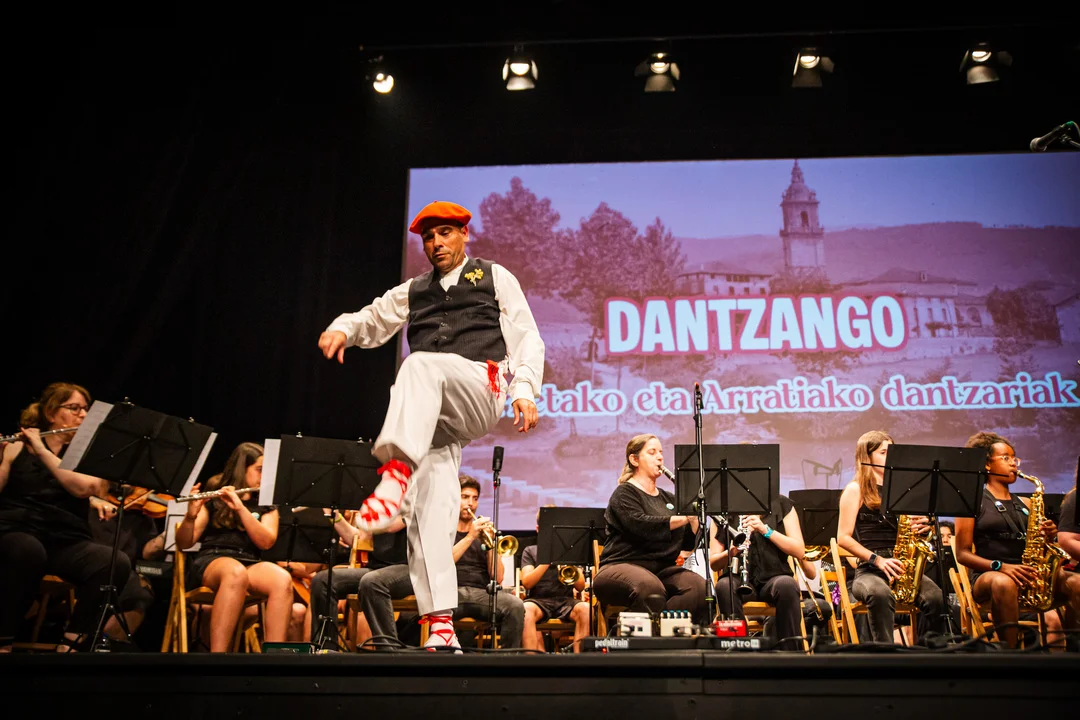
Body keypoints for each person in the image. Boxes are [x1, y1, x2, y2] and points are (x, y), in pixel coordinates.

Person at [317, 200, 544, 649]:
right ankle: (441, 626)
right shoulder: (415, 289)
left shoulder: (493, 276)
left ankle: (394, 475)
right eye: (428, 237)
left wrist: (524, 389)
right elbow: (374, 316)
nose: (436, 243)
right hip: (436, 414)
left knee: (419, 364)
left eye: (444, 233)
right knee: (429, 514)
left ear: (464, 234)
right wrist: (344, 328)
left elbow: (525, 334)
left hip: (479, 386)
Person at [0, 382, 132, 653]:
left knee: (113, 562)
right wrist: (3, 460)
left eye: (86, 409)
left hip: (65, 540)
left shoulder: (87, 456)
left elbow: (84, 488)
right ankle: (4, 640)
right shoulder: (16, 448)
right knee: (27, 550)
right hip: (18, 531)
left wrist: (41, 449)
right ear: (50, 413)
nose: (82, 415)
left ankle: (71, 645)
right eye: (74, 408)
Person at [953, 431, 1080, 649]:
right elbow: (962, 554)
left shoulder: (1027, 503)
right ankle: (1009, 655)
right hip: (989, 573)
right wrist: (1001, 567)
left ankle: (1073, 651)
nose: (1013, 463)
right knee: (1004, 582)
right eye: (1006, 458)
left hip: (1028, 574)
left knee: (1077, 583)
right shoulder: (971, 502)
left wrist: (1049, 536)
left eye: (1014, 458)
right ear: (987, 464)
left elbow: (1041, 548)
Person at [174, 442, 294, 652]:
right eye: (259, 470)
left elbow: (266, 541)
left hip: (249, 561)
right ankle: (219, 658)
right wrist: (191, 516)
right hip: (213, 560)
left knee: (281, 579)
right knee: (235, 573)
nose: (264, 476)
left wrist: (240, 508)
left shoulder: (266, 503)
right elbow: (184, 543)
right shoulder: (215, 496)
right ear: (242, 469)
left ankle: (274, 657)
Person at [837, 430, 946, 644]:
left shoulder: (903, 490)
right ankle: (885, 653)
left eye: (892, 452)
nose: (890, 457)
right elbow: (843, 537)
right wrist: (877, 560)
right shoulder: (855, 489)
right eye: (883, 452)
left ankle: (930, 653)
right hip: (870, 569)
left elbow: (912, 529)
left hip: (902, 568)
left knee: (936, 598)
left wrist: (923, 528)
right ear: (867, 456)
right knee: (879, 594)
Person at [593, 435, 707, 625]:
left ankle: (662, 633)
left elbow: (686, 544)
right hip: (620, 566)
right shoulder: (624, 493)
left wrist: (695, 521)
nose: (660, 457)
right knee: (650, 588)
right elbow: (641, 525)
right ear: (634, 459)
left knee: (700, 589)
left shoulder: (669, 499)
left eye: (661, 452)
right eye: (652, 452)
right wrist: (683, 518)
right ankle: (645, 640)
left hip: (662, 569)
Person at [709, 492, 818, 651]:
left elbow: (799, 550)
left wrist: (765, 530)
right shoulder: (722, 508)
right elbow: (714, 563)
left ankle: (790, 653)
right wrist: (731, 552)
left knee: (787, 585)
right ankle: (739, 652)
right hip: (738, 578)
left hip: (774, 578)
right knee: (724, 586)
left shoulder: (782, 504)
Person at [452, 475, 524, 649]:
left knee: (516, 605)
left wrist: (491, 545)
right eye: (465, 497)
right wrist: (470, 537)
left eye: (475, 498)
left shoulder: (483, 534)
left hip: (480, 594)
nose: (470, 503)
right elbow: (443, 564)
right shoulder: (445, 530)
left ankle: (506, 660)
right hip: (451, 592)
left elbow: (497, 577)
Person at [87, 495, 166, 646]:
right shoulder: (91, 500)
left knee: (140, 592)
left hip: (125, 572)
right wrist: (91, 500)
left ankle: (108, 644)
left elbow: (147, 553)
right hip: (91, 563)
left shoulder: (141, 513)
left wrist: (168, 533)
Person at [520, 507, 589, 652]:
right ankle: (531, 661)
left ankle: (580, 661)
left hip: (565, 601)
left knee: (586, 609)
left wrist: (568, 562)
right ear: (538, 530)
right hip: (538, 601)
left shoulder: (570, 551)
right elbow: (527, 582)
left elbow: (581, 586)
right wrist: (547, 560)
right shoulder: (530, 550)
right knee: (525, 610)